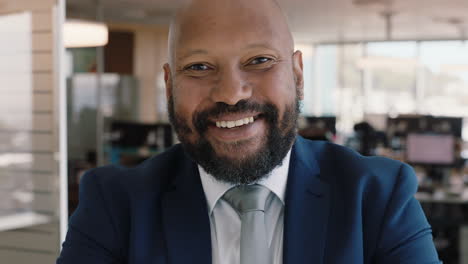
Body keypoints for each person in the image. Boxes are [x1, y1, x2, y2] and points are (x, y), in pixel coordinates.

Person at [56, 0, 441, 263]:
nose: (230, 93)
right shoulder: (115, 203)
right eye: (200, 67)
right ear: (170, 85)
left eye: (259, 60)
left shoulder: (377, 196)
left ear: (297, 74)